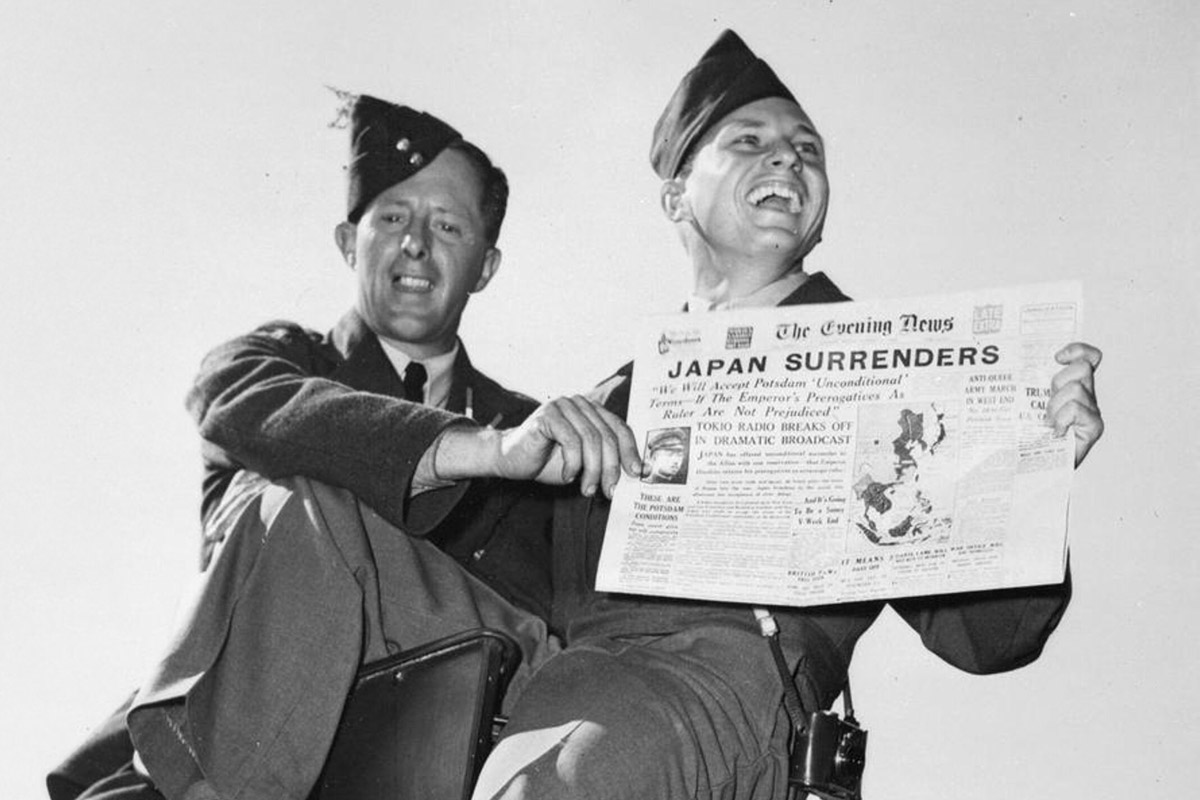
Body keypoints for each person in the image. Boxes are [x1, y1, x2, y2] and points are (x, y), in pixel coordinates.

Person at [467, 30, 1105, 800]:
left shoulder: (901, 373)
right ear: (675, 196)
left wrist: (1029, 473)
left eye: (808, 150)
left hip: (731, 720)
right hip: (568, 698)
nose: (788, 159)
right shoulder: (601, 405)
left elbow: (990, 639)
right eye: (749, 141)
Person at [47, 92, 641, 800]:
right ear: (346, 242)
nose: (415, 243)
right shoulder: (275, 367)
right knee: (305, 497)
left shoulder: (529, 429)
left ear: (486, 267)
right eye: (391, 218)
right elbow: (258, 409)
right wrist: (479, 451)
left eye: (448, 225)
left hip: (447, 733)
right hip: (261, 732)